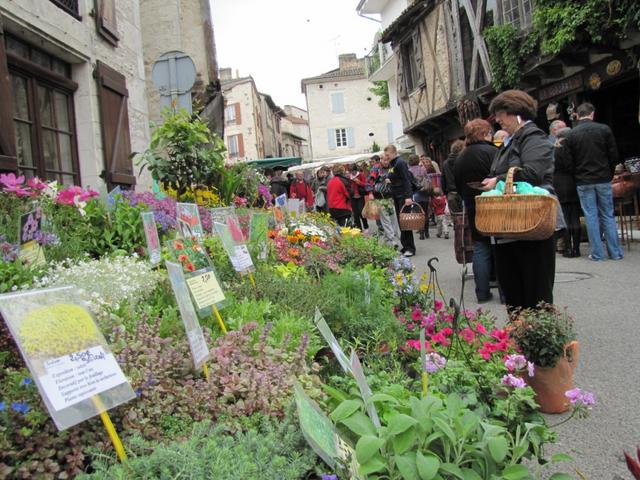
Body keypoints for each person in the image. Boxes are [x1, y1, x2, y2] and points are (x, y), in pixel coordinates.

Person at [481, 89, 556, 312]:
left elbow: (533, 173)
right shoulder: (510, 141)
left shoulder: (534, 138)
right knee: (514, 297)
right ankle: (518, 343)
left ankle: (538, 344)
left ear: (516, 112)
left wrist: (498, 180)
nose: (498, 120)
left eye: (501, 114)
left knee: (535, 297)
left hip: (530, 225)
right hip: (510, 228)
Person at [564, 102, 623, 261]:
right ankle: (615, 252)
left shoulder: (571, 135)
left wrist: (576, 175)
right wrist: (609, 173)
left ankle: (597, 253)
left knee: (591, 215)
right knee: (607, 214)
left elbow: (569, 162)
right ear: (592, 113)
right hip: (603, 177)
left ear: (578, 114)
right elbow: (614, 156)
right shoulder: (604, 130)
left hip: (583, 180)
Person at [455, 118, 498, 303]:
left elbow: (457, 184)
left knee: (480, 247)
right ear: (483, 133)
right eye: (488, 132)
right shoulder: (492, 152)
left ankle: (482, 292)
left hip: (473, 206)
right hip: (495, 205)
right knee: (499, 246)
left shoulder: (461, 156)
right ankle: (505, 291)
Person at [553, 127, 581, 258]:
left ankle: (567, 248)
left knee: (564, 217)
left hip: (558, 183)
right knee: (575, 216)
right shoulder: (573, 149)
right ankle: (577, 248)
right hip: (573, 182)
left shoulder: (554, 150)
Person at [384, 144, 416, 257]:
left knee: (405, 222)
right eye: (385, 154)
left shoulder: (400, 162)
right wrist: (390, 180)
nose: (385, 157)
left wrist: (408, 197)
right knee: (401, 222)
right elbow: (396, 178)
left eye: (387, 154)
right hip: (397, 196)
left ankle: (411, 248)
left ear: (393, 152)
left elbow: (406, 180)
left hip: (403, 196)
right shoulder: (393, 164)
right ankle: (405, 246)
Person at [368, 155, 401, 249]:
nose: (386, 162)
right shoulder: (376, 168)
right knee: (385, 219)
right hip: (380, 197)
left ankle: (395, 237)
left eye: (387, 160)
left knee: (393, 217)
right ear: (380, 160)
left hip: (391, 196)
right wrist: (370, 193)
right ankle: (392, 239)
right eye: (384, 160)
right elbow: (370, 181)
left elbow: (397, 179)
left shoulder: (392, 168)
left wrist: (392, 181)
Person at [408, 154, 430, 239]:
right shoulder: (423, 169)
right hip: (424, 194)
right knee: (426, 213)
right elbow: (428, 179)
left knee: (418, 214)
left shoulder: (409, 171)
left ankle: (421, 233)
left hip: (415, 195)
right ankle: (427, 232)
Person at [442, 139, 465, 213]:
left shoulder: (445, 163)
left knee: (456, 218)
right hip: (463, 193)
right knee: (466, 217)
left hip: (451, 194)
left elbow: (443, 179)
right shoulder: (463, 160)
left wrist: (445, 193)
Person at [348, 163, 369, 231]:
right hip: (353, 197)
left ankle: (366, 226)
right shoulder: (349, 176)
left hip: (360, 196)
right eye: (350, 171)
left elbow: (366, 185)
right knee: (355, 214)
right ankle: (359, 229)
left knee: (361, 212)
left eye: (353, 171)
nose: (352, 173)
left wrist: (359, 182)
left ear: (355, 170)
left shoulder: (361, 175)